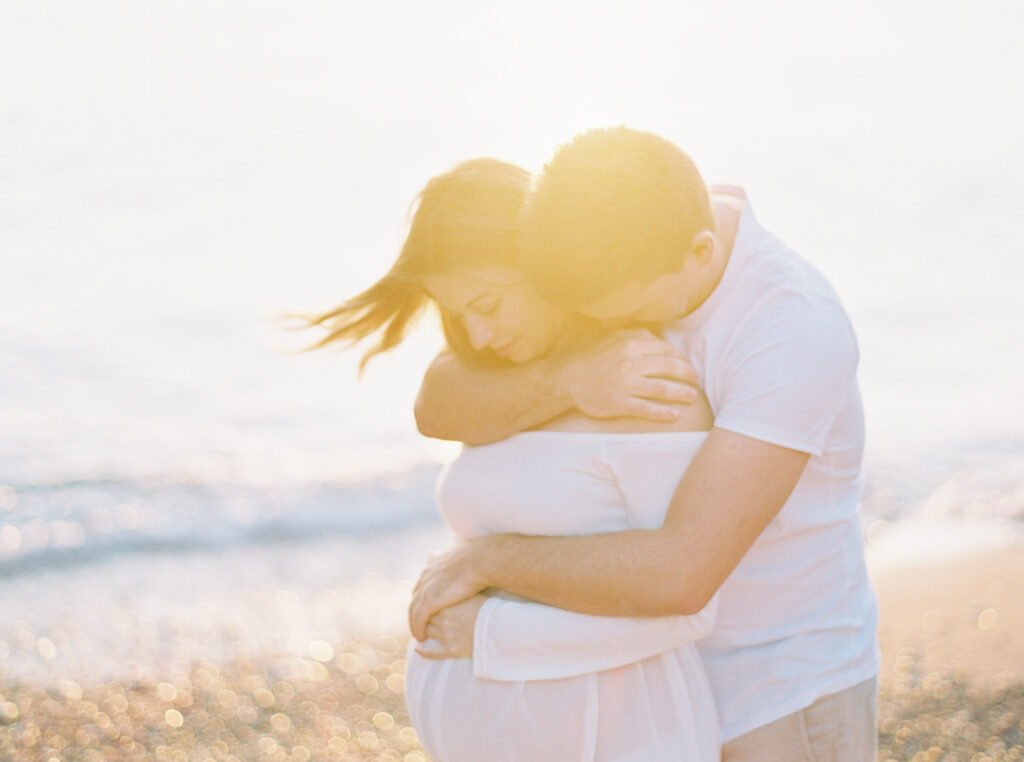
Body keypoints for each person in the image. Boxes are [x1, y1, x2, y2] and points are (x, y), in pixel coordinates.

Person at [409, 127, 880, 761]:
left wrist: (485, 563)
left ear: (699, 251)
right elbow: (437, 398)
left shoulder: (792, 330)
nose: (602, 329)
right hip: (667, 680)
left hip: (781, 683)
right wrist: (567, 378)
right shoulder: (616, 231)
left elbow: (682, 575)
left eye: (615, 312)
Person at [305, 157, 722, 760]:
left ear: (545, 266)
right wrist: (569, 382)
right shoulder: (505, 380)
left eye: (490, 304)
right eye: (455, 314)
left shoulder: (649, 384)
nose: (475, 334)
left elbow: (686, 607)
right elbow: (432, 404)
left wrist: (491, 633)